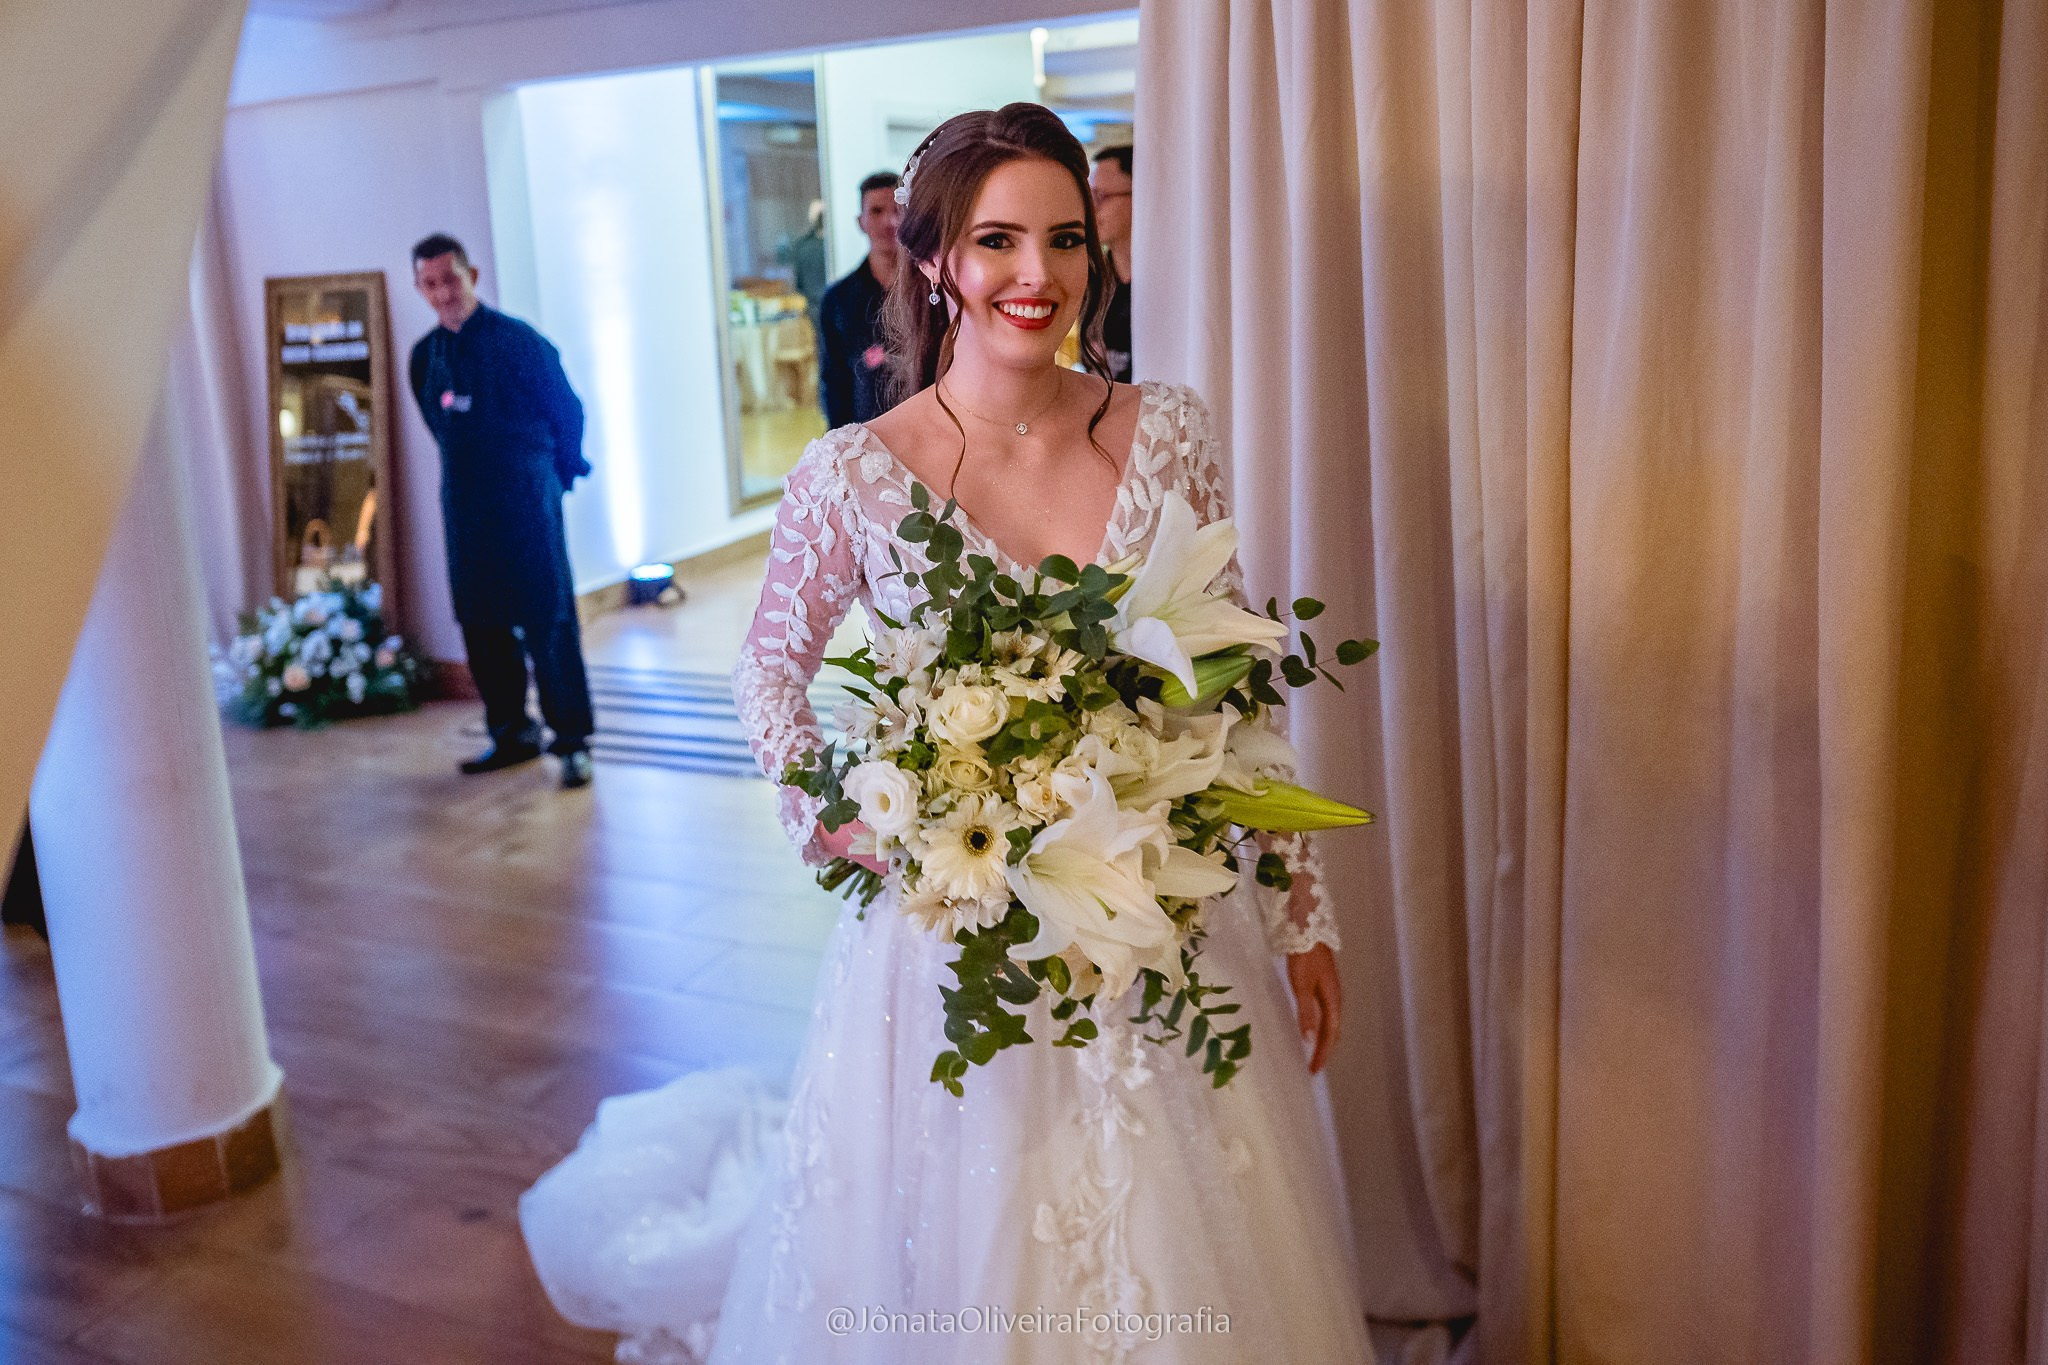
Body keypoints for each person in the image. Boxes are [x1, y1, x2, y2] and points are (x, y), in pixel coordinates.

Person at [520, 106, 1371, 1364]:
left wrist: (1300, 906)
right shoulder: (855, 473)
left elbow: (1231, 667)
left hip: (1166, 924)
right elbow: (768, 672)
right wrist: (847, 817)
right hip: (958, 947)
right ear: (933, 262)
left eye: (1066, 239)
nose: (1039, 276)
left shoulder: (1167, 431)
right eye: (998, 241)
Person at [407, 233, 596, 790]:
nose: (443, 293)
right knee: (482, 623)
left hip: (527, 501)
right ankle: (512, 733)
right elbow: (436, 426)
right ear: (421, 288)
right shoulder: (425, 357)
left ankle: (571, 742)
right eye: (430, 284)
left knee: (548, 620)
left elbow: (568, 411)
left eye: (451, 279)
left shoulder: (520, 343)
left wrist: (556, 476)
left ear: (473, 277)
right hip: (466, 508)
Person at [816, 170, 903, 428]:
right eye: (877, 211)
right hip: (866, 435)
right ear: (860, 221)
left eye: (898, 210)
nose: (890, 222)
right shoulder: (838, 301)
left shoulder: (934, 291)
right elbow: (834, 381)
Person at [1090, 143, 1135, 382]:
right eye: (1090, 196)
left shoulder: (1172, 282)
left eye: (1102, 196)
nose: (1092, 209)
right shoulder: (1093, 279)